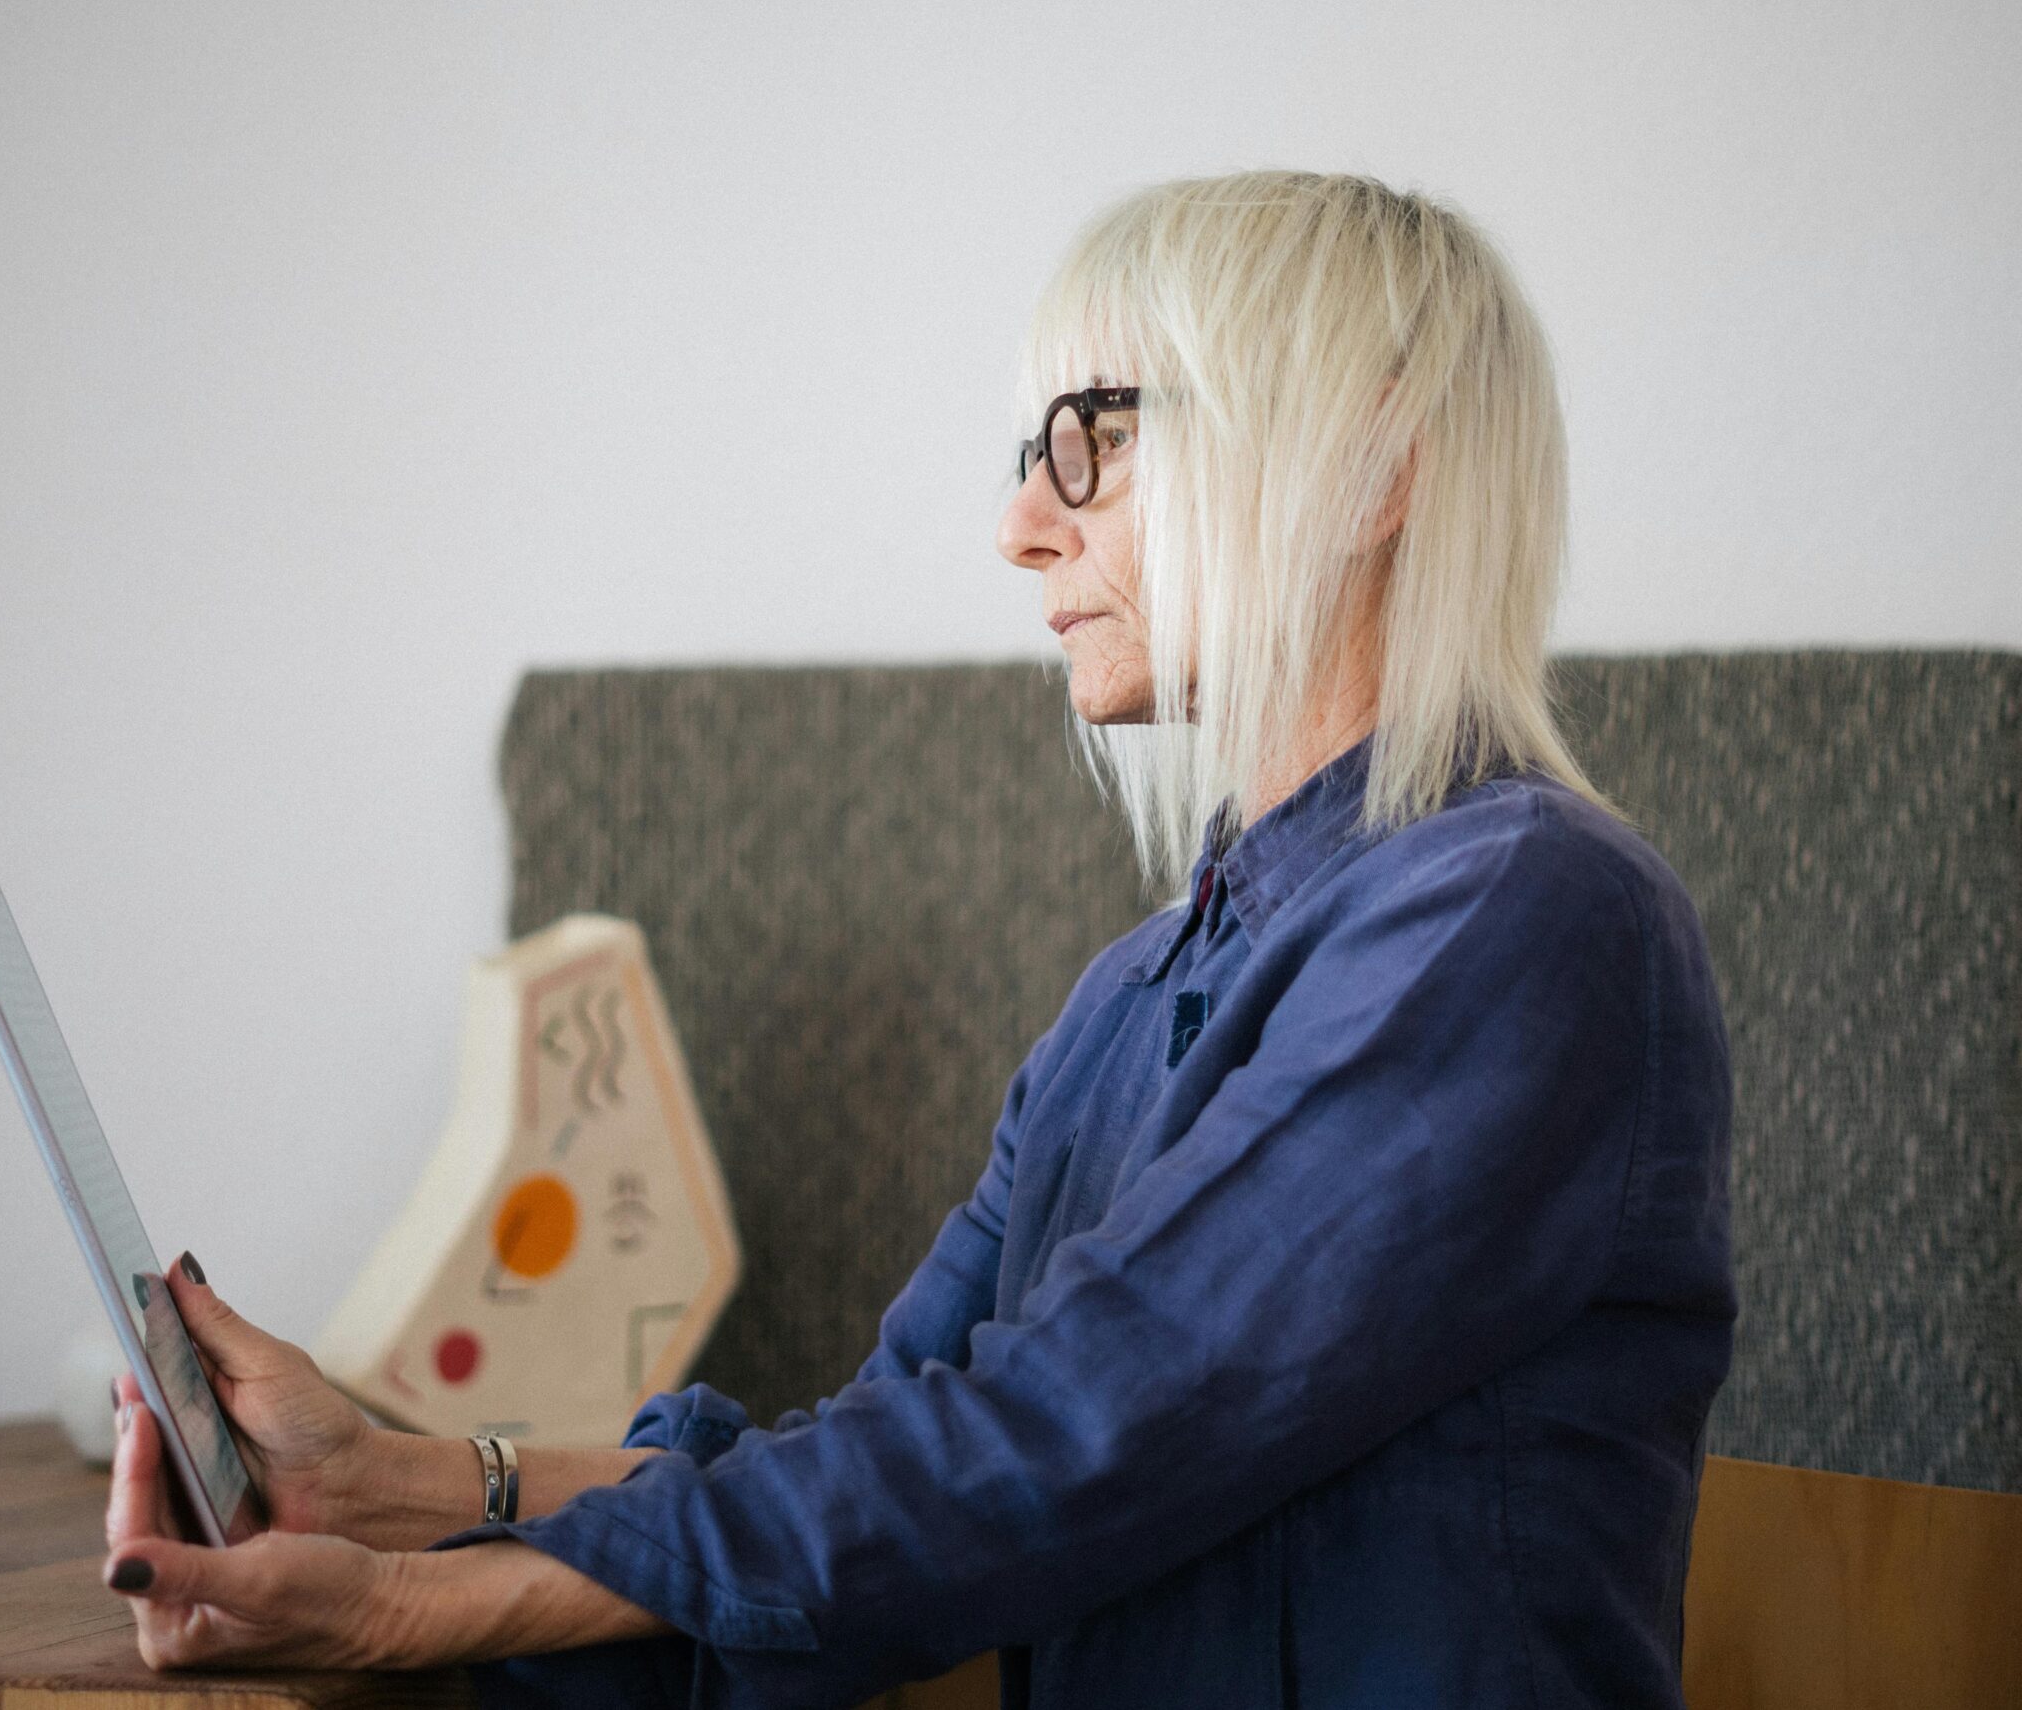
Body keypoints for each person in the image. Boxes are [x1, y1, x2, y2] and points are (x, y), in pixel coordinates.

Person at [97, 171, 1735, 1709]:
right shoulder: (1131, 995)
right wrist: (393, 1481)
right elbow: (893, 1452)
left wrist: (405, 1609)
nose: (1025, 520)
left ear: (1378, 463)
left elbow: (1058, 1436)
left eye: (1097, 437)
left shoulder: (1524, 916)